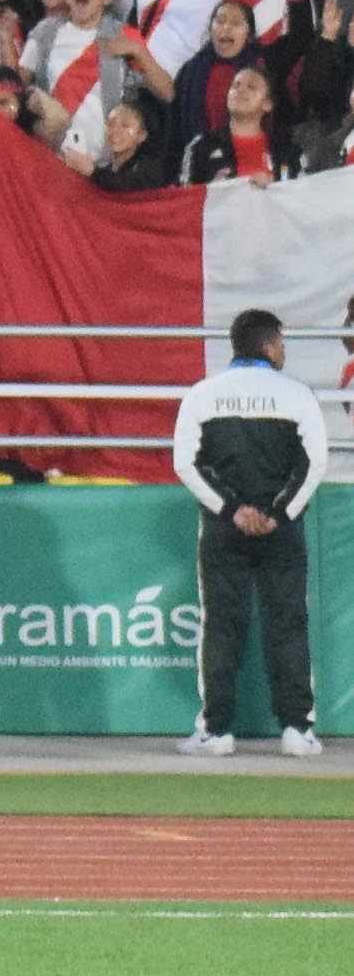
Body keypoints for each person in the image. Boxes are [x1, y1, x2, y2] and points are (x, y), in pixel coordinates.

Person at [172, 311, 327, 758]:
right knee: (288, 623)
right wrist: (278, 513)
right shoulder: (297, 395)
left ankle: (216, 731)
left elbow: (186, 463)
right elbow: (314, 463)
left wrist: (232, 510)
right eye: (281, 343)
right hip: (283, 531)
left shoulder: (202, 395)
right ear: (268, 344)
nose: (283, 351)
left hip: (224, 529)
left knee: (221, 625)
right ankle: (297, 730)